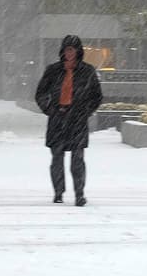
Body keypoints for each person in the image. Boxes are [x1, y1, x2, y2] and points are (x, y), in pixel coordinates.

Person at [34, 35, 103, 206]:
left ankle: (79, 193)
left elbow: (97, 96)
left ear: (78, 51)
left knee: (77, 158)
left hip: (77, 120)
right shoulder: (53, 70)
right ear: (62, 51)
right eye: (67, 49)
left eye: (72, 49)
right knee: (57, 157)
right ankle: (58, 192)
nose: (69, 53)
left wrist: (85, 111)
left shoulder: (87, 71)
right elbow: (41, 93)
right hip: (58, 118)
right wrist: (50, 109)